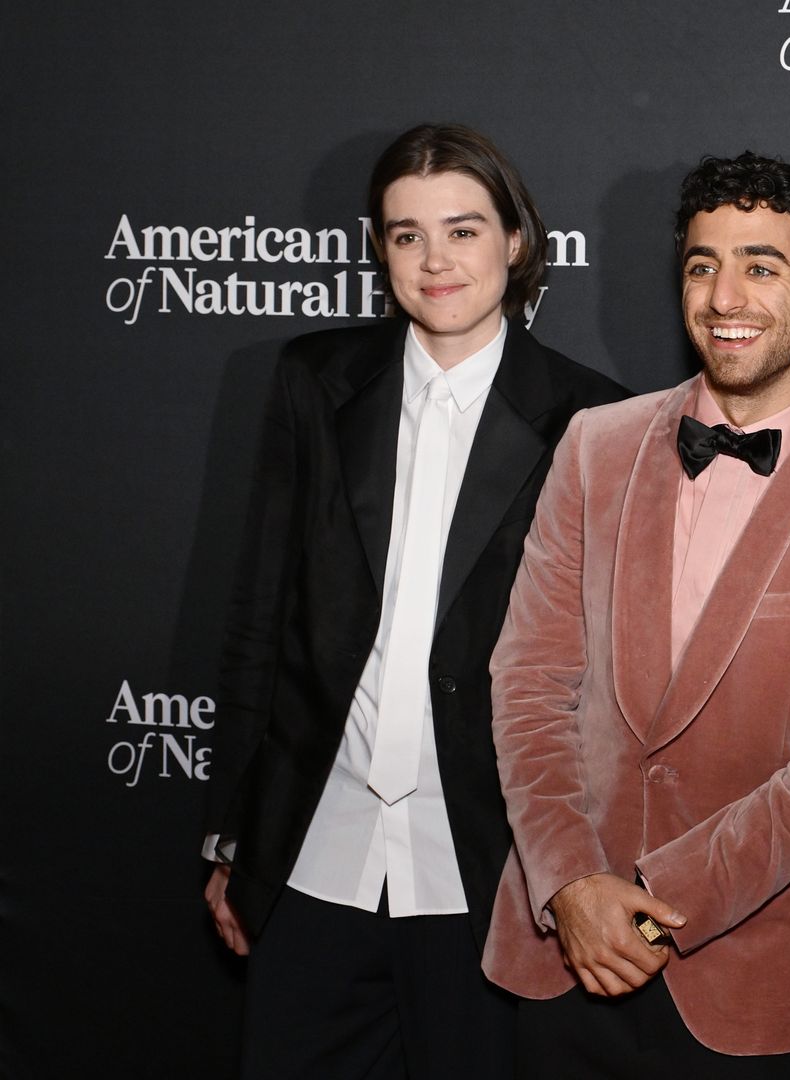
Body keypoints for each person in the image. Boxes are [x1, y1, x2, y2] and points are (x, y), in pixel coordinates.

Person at [482, 152, 790, 1079]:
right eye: (701, 264)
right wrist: (568, 883)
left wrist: (647, 898)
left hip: (754, 982)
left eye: (762, 267)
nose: (726, 296)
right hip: (561, 956)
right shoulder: (594, 447)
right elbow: (530, 679)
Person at [201, 123, 629, 1078]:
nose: (436, 261)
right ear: (380, 249)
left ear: (515, 242)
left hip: (488, 872)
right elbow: (259, 617)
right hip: (316, 857)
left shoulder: (595, 419)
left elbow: (602, 681)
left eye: (464, 230)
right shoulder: (314, 382)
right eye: (406, 235)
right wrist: (237, 831)